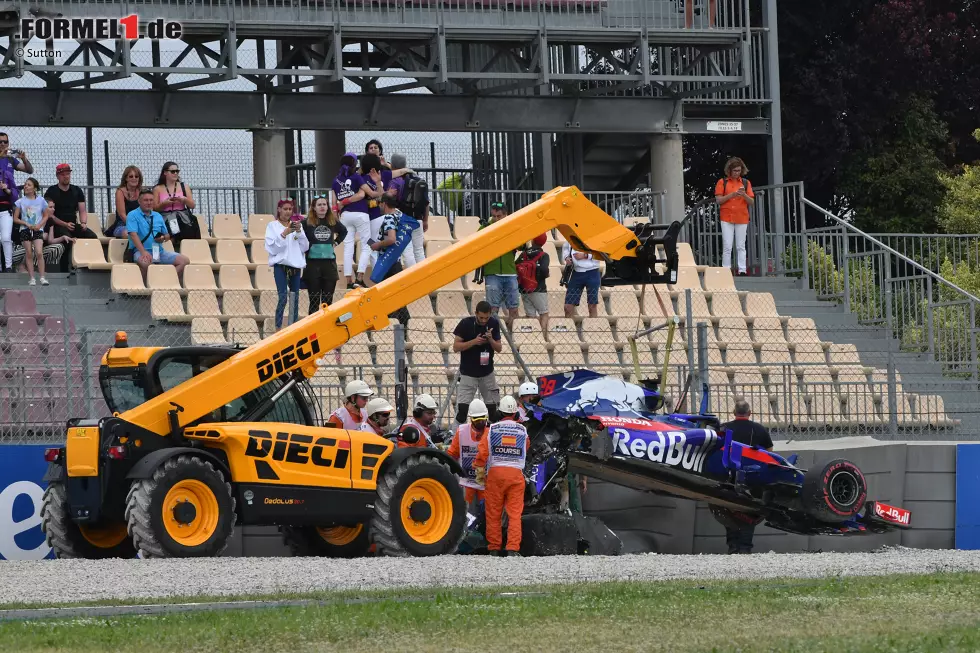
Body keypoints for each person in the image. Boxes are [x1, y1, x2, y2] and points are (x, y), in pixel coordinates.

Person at [473, 395, 529, 557]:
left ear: (499, 412)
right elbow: (527, 446)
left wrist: (479, 469)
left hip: (495, 476)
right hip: (516, 476)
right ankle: (512, 548)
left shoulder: (492, 430)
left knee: (493, 513)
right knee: (514, 514)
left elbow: (482, 453)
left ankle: (494, 548)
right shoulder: (523, 430)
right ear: (515, 414)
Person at [719, 400, 773, 554]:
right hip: (753, 477)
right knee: (749, 512)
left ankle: (733, 546)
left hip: (727, 476)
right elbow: (770, 454)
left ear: (734, 412)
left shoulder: (724, 428)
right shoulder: (760, 430)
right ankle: (745, 547)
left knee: (728, 510)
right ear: (750, 413)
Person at [452, 300, 502, 424]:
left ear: (490, 314)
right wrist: (474, 342)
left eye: (487, 317)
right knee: (462, 411)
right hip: (468, 373)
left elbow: (499, 348)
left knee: (493, 411)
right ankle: (455, 438)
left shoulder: (494, 323)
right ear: (475, 313)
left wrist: (490, 339)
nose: (484, 320)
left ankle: (492, 437)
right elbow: (455, 347)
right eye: (481, 317)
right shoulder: (465, 323)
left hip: (487, 373)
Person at [126, 188, 190, 282]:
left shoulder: (158, 216)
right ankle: (146, 289)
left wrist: (163, 238)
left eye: (151, 200)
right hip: (140, 251)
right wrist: (143, 252)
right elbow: (133, 235)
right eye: (146, 200)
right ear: (139, 201)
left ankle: (165, 282)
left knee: (184, 261)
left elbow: (167, 235)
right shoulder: (132, 215)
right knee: (145, 263)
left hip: (159, 251)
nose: (149, 203)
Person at [265, 198, 309, 330]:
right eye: (285, 209)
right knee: (283, 296)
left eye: (290, 209)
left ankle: (293, 327)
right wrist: (285, 233)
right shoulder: (272, 226)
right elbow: (272, 247)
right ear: (279, 210)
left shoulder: (296, 226)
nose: (288, 212)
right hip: (281, 266)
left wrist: (299, 232)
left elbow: (305, 246)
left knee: (294, 298)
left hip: (295, 266)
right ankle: (278, 326)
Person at [44, 163, 98, 272]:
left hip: (73, 224)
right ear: (58, 176)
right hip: (58, 225)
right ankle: (65, 271)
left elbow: (82, 210)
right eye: (63, 174)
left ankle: (85, 266)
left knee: (92, 236)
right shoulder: (52, 191)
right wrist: (64, 224)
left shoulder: (77, 190)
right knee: (67, 239)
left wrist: (83, 223)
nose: (66, 176)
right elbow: (50, 214)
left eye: (68, 174)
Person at [367, 195, 411, 326]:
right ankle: (402, 325)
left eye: (380, 203)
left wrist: (377, 245)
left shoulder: (389, 218)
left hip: (388, 263)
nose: (379, 206)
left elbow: (392, 239)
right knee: (396, 297)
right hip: (395, 262)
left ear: (384, 204)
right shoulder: (399, 215)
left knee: (387, 297)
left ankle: (397, 325)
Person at [478, 202, 520, 330]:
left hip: (510, 273)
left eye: (499, 216)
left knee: (514, 309)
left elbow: (523, 244)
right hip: (492, 273)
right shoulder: (485, 227)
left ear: (506, 215)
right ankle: (495, 336)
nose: (496, 219)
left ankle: (513, 337)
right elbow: (476, 242)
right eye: (494, 216)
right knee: (493, 309)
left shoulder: (513, 227)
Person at [303, 194, 347, 315]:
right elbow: (298, 237)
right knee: (314, 301)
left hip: (329, 266)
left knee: (328, 302)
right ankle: (311, 330)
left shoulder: (332, 221)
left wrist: (336, 242)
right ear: (314, 207)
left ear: (327, 207)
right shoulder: (306, 223)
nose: (322, 207)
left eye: (324, 204)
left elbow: (344, 231)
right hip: (312, 265)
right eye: (319, 205)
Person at [332, 152, 371, 289]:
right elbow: (362, 194)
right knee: (367, 245)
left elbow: (333, 203)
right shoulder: (357, 177)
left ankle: (349, 280)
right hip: (361, 213)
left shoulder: (335, 180)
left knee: (348, 247)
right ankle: (360, 278)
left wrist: (338, 212)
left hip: (345, 215)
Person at [714, 156, 755, 277]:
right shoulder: (722, 182)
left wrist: (744, 195)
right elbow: (718, 200)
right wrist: (731, 195)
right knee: (727, 244)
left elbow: (751, 202)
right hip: (726, 217)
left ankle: (742, 270)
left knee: (741, 245)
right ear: (729, 170)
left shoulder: (746, 183)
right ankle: (726, 270)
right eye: (735, 170)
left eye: (739, 170)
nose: (737, 173)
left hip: (741, 217)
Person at [445, 398, 490, 505]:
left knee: (487, 512)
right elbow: (452, 455)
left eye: (482, 419)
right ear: (471, 418)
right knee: (463, 511)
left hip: (486, 483)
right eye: (476, 419)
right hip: (466, 482)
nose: (480, 422)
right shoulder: (461, 432)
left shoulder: (491, 432)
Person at [388, 153, 429, 268]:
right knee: (419, 250)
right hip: (418, 219)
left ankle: (413, 278)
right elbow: (426, 203)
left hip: (404, 219)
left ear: (393, 165)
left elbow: (390, 201)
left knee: (407, 251)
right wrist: (425, 220)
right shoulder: (418, 179)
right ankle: (423, 277)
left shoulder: (396, 181)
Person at [0, 134, 33, 273]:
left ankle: (8, 267)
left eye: (5, 142)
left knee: (6, 237)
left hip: (6, 205)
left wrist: (24, 158)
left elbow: (29, 170)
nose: (2, 144)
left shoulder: (11, 160)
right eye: (0, 142)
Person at [153, 161, 200, 248]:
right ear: (165, 173)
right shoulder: (157, 188)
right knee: (172, 220)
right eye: (172, 171)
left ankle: (184, 244)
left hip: (182, 216)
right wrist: (164, 204)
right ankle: (172, 241)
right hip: (166, 217)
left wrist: (184, 200)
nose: (175, 173)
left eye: (177, 171)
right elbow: (154, 208)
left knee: (186, 224)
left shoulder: (184, 186)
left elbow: (192, 205)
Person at [12, 178, 49, 286]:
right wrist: (26, 224)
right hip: (25, 229)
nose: (26, 186)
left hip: (37, 229)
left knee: (39, 252)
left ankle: (42, 277)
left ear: (34, 188)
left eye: (29, 185)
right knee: (28, 252)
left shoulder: (41, 200)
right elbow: (15, 218)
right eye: (25, 185)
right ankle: (32, 278)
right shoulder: (20, 201)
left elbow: (46, 215)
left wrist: (39, 225)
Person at [516, 234, 551, 331]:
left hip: (524, 289)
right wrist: (545, 274)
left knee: (530, 316)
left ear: (533, 240)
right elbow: (544, 270)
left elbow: (516, 266)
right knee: (544, 314)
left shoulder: (524, 254)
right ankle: (543, 336)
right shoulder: (544, 255)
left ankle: (533, 337)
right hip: (538, 289)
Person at [562, 240, 601, 318]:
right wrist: (566, 257)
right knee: (568, 307)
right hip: (576, 272)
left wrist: (586, 255)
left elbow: (601, 252)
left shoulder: (595, 232)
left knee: (592, 306)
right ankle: (571, 328)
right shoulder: (572, 232)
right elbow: (566, 247)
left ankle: (593, 328)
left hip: (592, 272)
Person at [109, 166, 143, 239]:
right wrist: (135, 226)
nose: (134, 178)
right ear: (126, 178)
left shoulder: (142, 192)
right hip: (122, 224)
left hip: (141, 224)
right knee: (129, 233)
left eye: (136, 176)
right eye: (131, 176)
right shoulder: (120, 192)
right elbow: (122, 215)